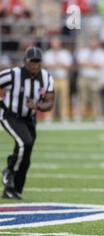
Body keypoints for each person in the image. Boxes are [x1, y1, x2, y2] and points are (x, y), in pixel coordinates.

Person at [0, 47, 55, 199]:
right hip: (10, 114)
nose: (35, 65)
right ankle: (10, 175)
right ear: (25, 61)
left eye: (38, 62)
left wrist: (36, 106)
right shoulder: (13, 74)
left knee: (27, 152)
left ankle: (13, 186)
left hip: (29, 118)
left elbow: (50, 103)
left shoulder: (46, 77)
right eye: (32, 62)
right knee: (25, 143)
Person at [76, 36, 104, 122]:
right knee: (82, 97)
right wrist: (93, 64)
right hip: (84, 77)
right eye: (91, 42)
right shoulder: (83, 52)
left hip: (95, 78)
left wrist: (88, 64)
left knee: (96, 98)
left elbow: (99, 65)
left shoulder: (101, 53)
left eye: (95, 43)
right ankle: (79, 116)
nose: (93, 44)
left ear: (97, 44)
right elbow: (80, 63)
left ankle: (97, 116)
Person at [43, 36, 73, 122]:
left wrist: (57, 65)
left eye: (56, 43)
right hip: (51, 79)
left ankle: (64, 116)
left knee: (64, 98)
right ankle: (48, 116)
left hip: (63, 78)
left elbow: (68, 65)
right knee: (50, 99)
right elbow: (46, 65)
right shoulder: (47, 54)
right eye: (53, 43)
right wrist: (59, 65)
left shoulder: (65, 53)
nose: (55, 45)